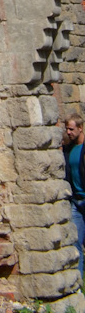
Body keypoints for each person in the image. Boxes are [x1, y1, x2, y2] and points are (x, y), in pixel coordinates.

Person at [63, 114, 85, 280]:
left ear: (80, 128)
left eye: (71, 129)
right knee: (75, 241)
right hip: (76, 202)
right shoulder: (68, 149)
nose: (68, 132)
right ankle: (78, 284)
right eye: (67, 129)